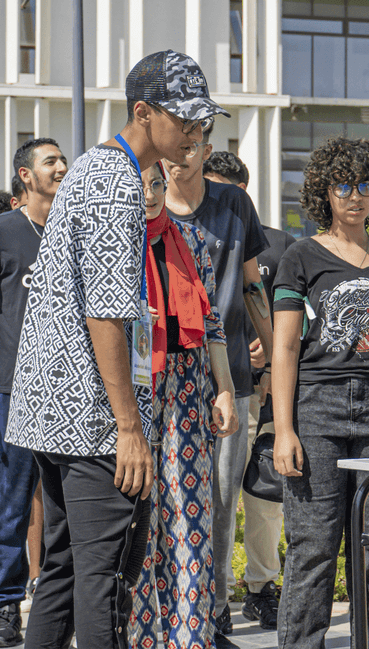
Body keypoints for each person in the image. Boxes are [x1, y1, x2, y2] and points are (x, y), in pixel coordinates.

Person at [4, 50, 229, 649]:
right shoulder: (115, 181)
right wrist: (129, 428)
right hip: (91, 419)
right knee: (101, 583)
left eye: (202, 122)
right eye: (185, 120)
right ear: (142, 112)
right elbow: (106, 314)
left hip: (57, 413)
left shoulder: (95, 171)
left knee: (65, 569)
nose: (195, 132)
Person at [271, 136, 369, 649]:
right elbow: (285, 348)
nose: (355, 197)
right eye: (343, 186)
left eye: (365, 186)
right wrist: (284, 430)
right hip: (317, 410)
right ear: (324, 192)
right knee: (313, 547)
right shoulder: (300, 257)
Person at [161, 125, 274, 644]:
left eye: (193, 147)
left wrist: (272, 358)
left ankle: (213, 610)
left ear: (207, 152)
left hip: (233, 380)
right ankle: (167, 610)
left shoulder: (233, 204)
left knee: (223, 500)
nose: (181, 157)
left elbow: (252, 285)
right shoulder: (146, 205)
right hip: (163, 381)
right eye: (175, 147)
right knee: (170, 502)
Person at [0, 138, 67, 644]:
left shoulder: (73, 229)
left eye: (63, 159)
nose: (62, 167)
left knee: (65, 505)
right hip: (10, 389)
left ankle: (59, 606)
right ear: (26, 175)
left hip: (69, 390)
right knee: (9, 503)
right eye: (51, 161)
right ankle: (3, 608)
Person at [129, 161, 238, 649]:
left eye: (157, 184)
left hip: (189, 385)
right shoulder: (116, 244)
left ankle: (192, 635)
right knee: (139, 514)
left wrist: (226, 389)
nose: (151, 194)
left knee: (189, 512)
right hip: (132, 388)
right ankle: (141, 635)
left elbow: (211, 322)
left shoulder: (191, 241)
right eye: (142, 186)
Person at [203, 149, 287, 630]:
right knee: (219, 494)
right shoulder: (192, 233)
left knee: (265, 498)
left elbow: (293, 316)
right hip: (224, 386)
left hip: (266, 390)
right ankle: (216, 598)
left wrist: (273, 360)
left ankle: (261, 586)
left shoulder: (278, 245)